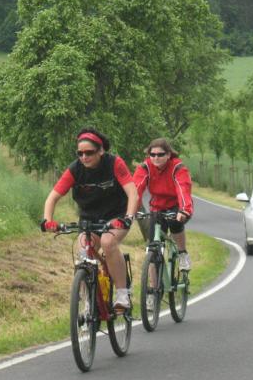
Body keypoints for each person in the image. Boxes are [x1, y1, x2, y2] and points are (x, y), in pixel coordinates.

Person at [41, 128, 139, 311]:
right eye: (80, 153)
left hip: (116, 215)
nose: (84, 157)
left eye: (89, 153)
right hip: (89, 218)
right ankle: (89, 301)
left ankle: (122, 294)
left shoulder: (114, 163)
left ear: (100, 151)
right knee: (83, 252)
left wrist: (128, 217)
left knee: (108, 242)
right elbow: (52, 198)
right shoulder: (75, 169)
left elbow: (133, 193)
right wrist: (48, 221)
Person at [132, 138, 194, 271]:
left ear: (168, 154)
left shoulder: (178, 167)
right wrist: (130, 210)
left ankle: (182, 253)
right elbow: (136, 189)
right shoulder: (145, 167)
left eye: (160, 154)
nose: (156, 158)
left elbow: (183, 189)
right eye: (152, 154)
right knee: (152, 251)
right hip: (157, 207)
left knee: (175, 223)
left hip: (177, 205)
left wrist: (184, 210)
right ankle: (153, 284)